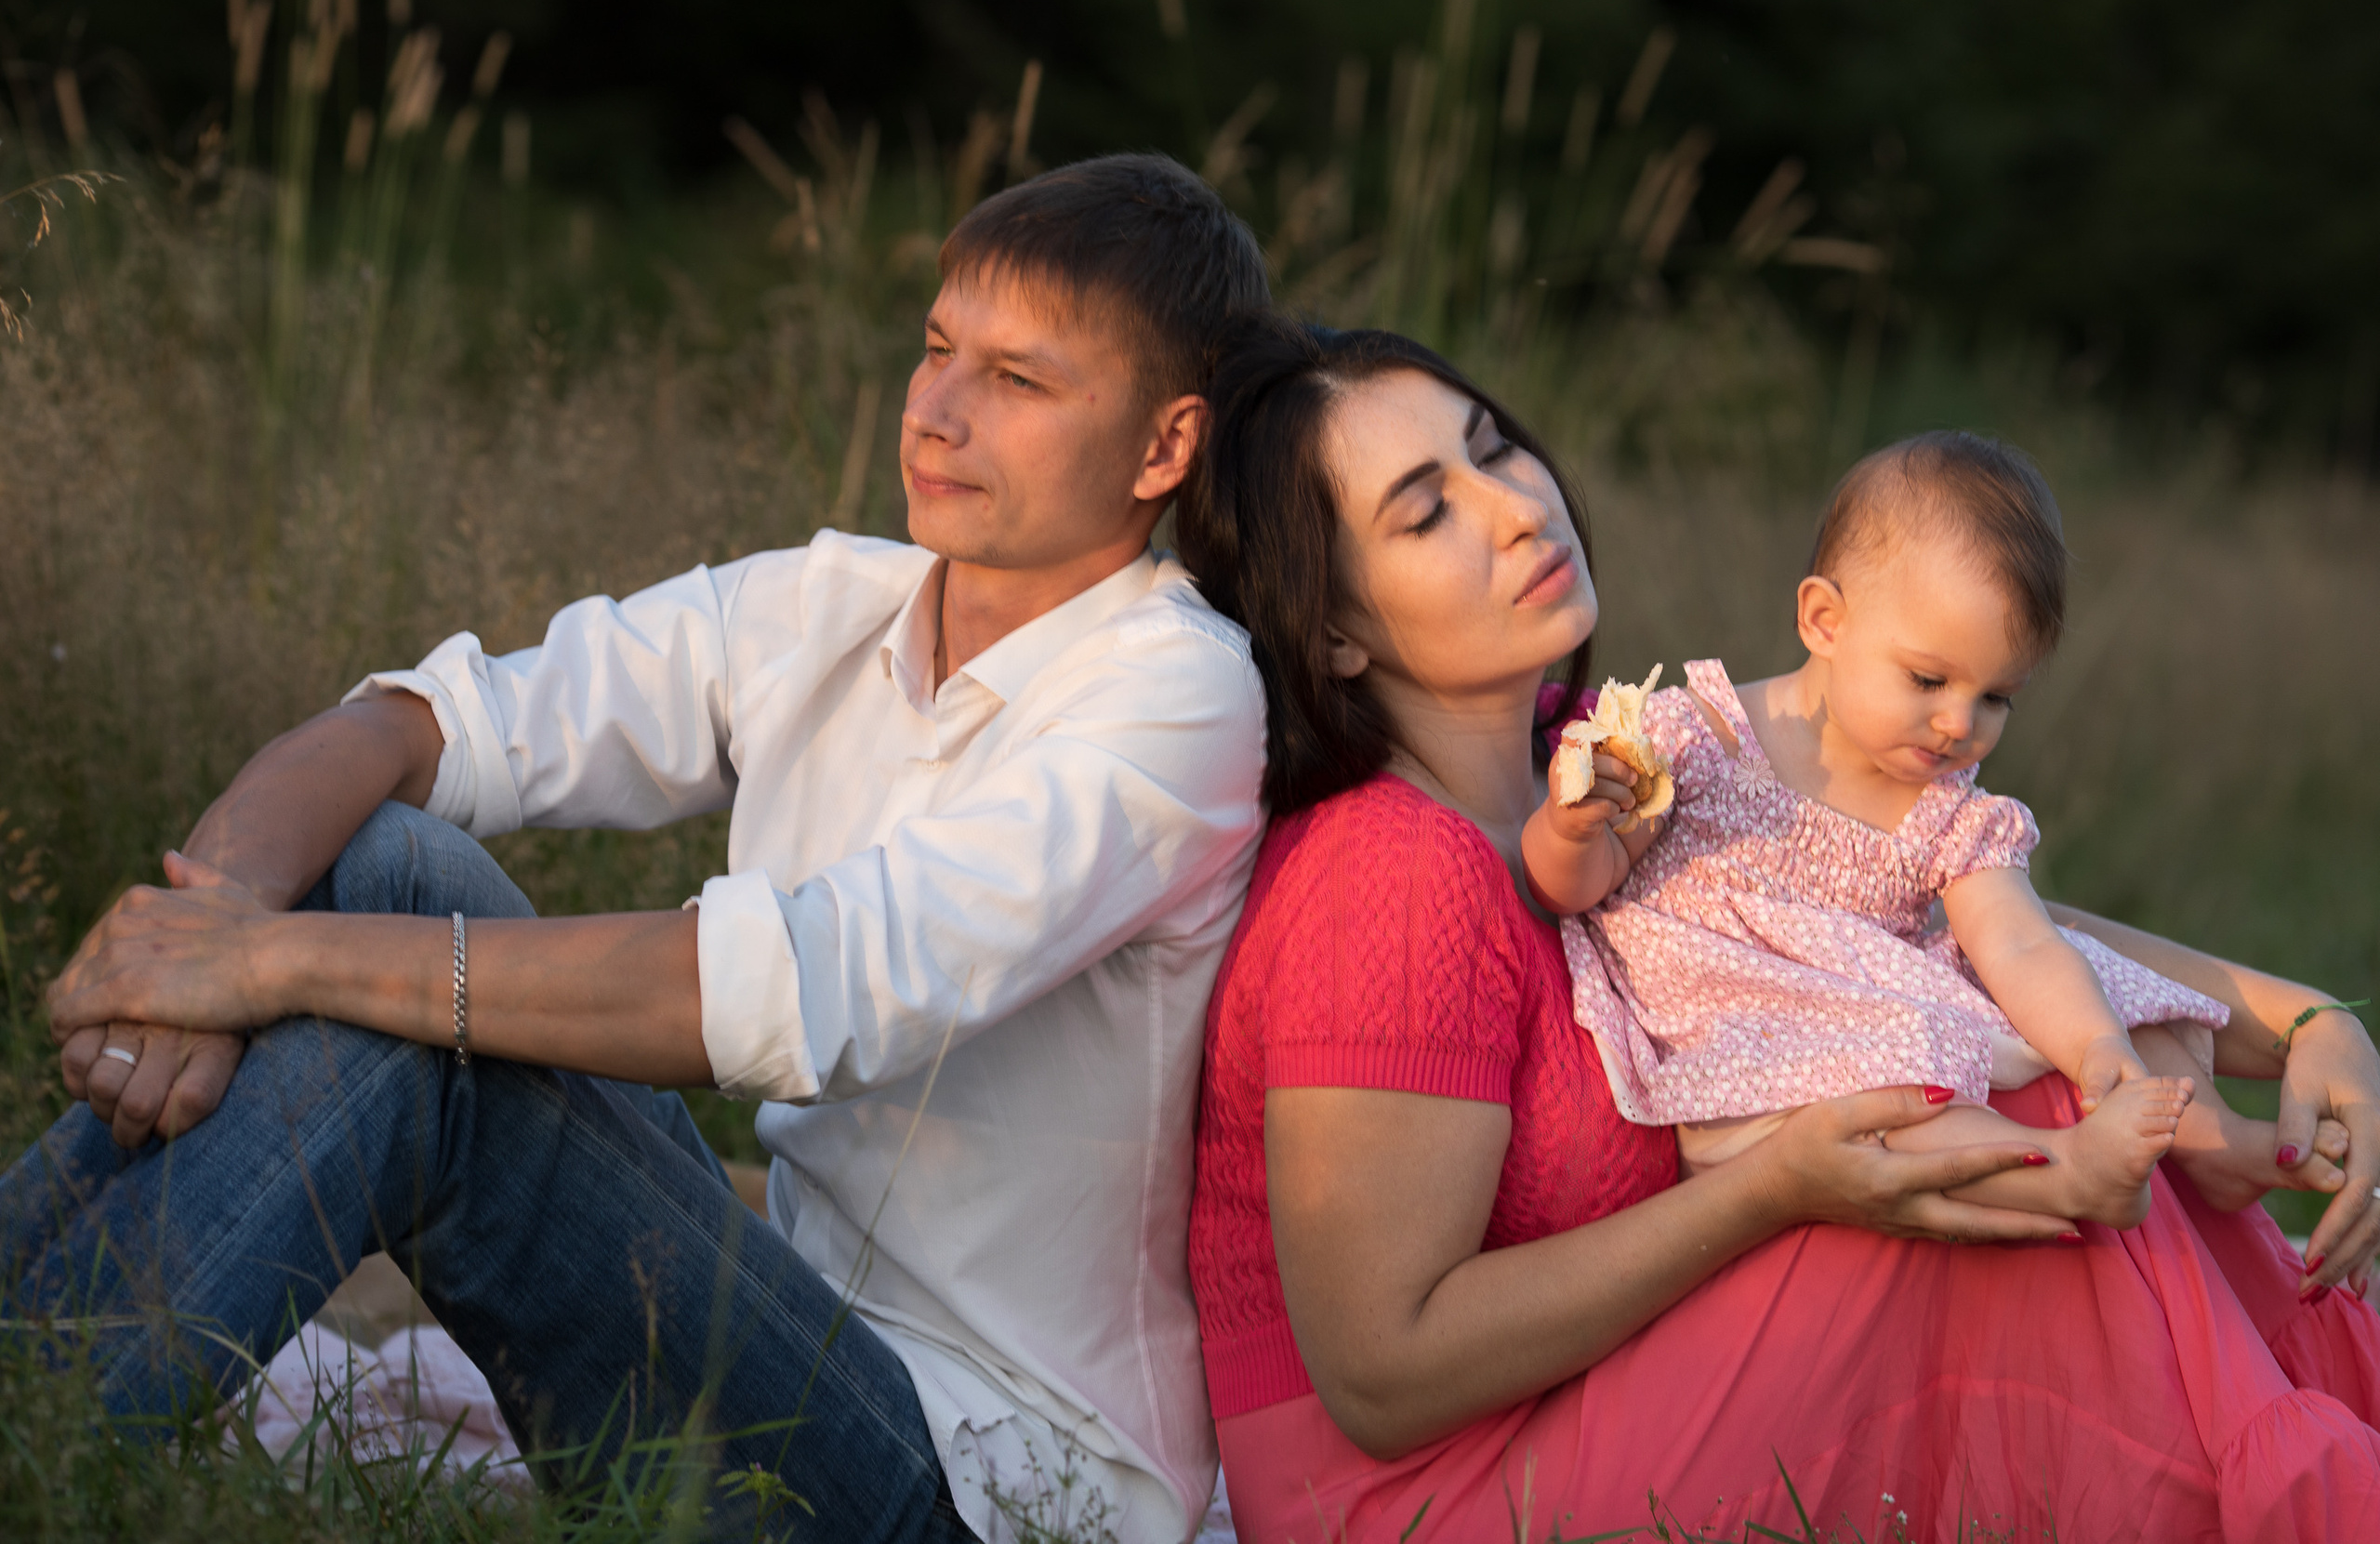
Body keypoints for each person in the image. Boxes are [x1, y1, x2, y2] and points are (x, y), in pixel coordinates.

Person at [10, 153, 1270, 1544]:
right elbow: (416, 727)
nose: (938, 410)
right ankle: (32, 1407)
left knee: (397, 1014)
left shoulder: (1178, 695)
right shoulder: (831, 605)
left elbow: (795, 990)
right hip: (781, 1357)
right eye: (934, 349)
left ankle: (38, 1432)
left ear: (1164, 447)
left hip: (981, 1484)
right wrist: (216, 931)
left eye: (1018, 382)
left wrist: (272, 959)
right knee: (394, 867)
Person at [1174, 316, 2380, 1540]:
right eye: (1426, 511)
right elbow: (1385, 1376)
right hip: (1419, 1496)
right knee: (2001, 1144)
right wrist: (1777, 1189)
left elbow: (1935, 904)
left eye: (1493, 445)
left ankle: (2276, 1440)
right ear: (1332, 626)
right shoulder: (1389, 871)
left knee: (2023, 1108)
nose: (1517, 505)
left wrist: (2303, 1021)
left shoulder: (1586, 755)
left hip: (1575, 1400)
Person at [1527, 431, 2268, 1229]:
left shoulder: (1951, 810)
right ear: (1824, 620)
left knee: (2092, 978)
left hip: (1878, 1000)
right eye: (1928, 679)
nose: (1959, 724)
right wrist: (1573, 828)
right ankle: (2061, 1175)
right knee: (1900, 1078)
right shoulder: (1699, 738)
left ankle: (2214, 1143)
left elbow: (2020, 943)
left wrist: (2098, 1053)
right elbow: (1573, 888)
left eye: (1997, 698)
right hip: (1746, 1040)